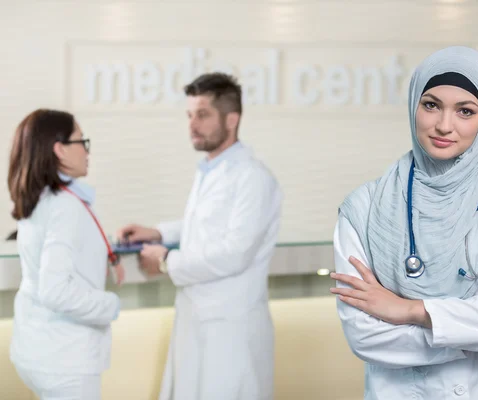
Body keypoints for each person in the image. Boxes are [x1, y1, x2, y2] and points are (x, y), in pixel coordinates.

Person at [330, 46, 478, 400]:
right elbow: (367, 337)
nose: (443, 125)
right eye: (431, 105)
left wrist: (411, 310)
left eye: (465, 111)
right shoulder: (364, 209)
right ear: (414, 107)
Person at [117, 72, 282, 400]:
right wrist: (159, 232)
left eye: (203, 115)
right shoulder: (211, 169)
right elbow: (205, 224)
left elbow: (235, 251)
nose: (192, 124)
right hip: (199, 318)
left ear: (231, 119)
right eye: (190, 115)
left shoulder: (253, 178)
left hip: (230, 327)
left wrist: (166, 259)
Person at [7, 109, 124, 400]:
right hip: (65, 359)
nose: (86, 151)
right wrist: (110, 305)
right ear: (59, 149)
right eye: (81, 141)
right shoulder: (65, 206)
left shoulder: (42, 198)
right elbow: (55, 289)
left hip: (38, 351)